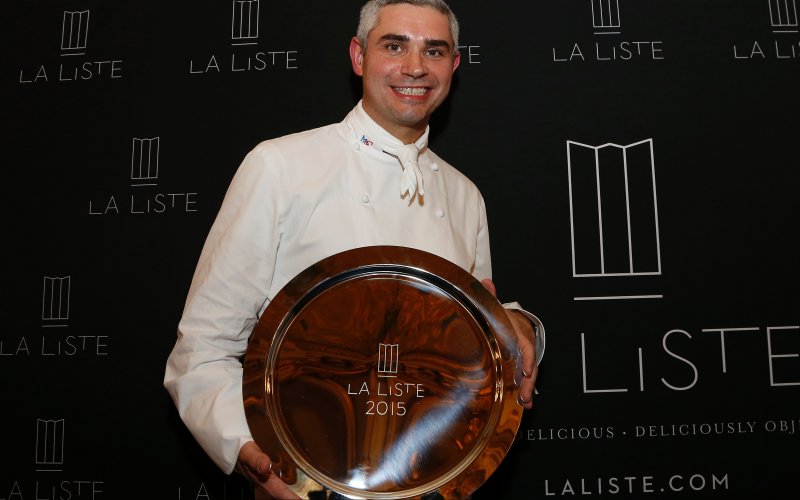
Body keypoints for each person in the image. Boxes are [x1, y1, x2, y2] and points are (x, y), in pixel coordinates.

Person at [164, 1, 544, 498]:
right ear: (358, 56)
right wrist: (249, 452)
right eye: (394, 45)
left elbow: (466, 347)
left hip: (425, 479)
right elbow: (203, 349)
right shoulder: (280, 166)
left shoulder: (465, 195)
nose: (414, 67)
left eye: (434, 50)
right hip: (304, 476)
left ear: (453, 66)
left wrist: (514, 324)